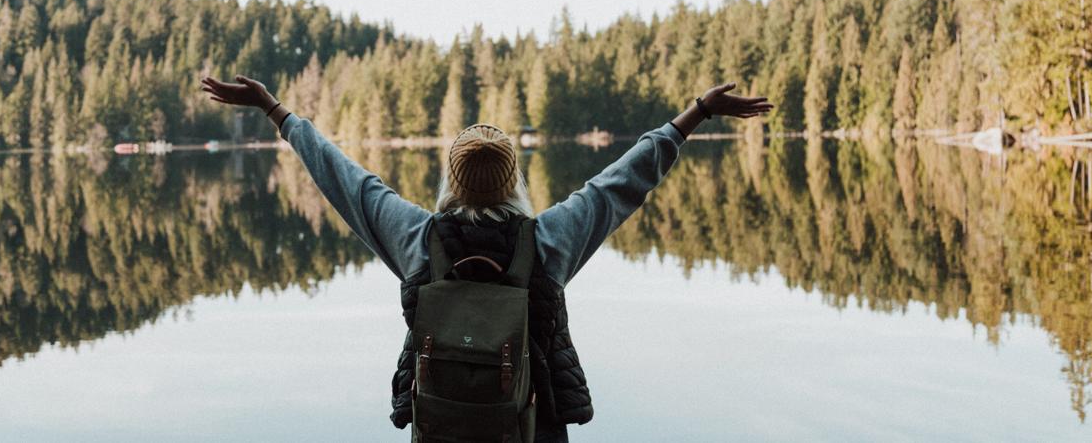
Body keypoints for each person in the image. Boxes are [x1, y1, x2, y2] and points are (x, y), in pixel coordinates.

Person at [201, 74, 772, 441]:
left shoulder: (418, 239)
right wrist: (697, 111)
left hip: (443, 428)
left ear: (451, 180)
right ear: (514, 181)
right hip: (530, 429)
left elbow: (343, 178)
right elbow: (624, 180)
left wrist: (274, 110)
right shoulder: (548, 241)